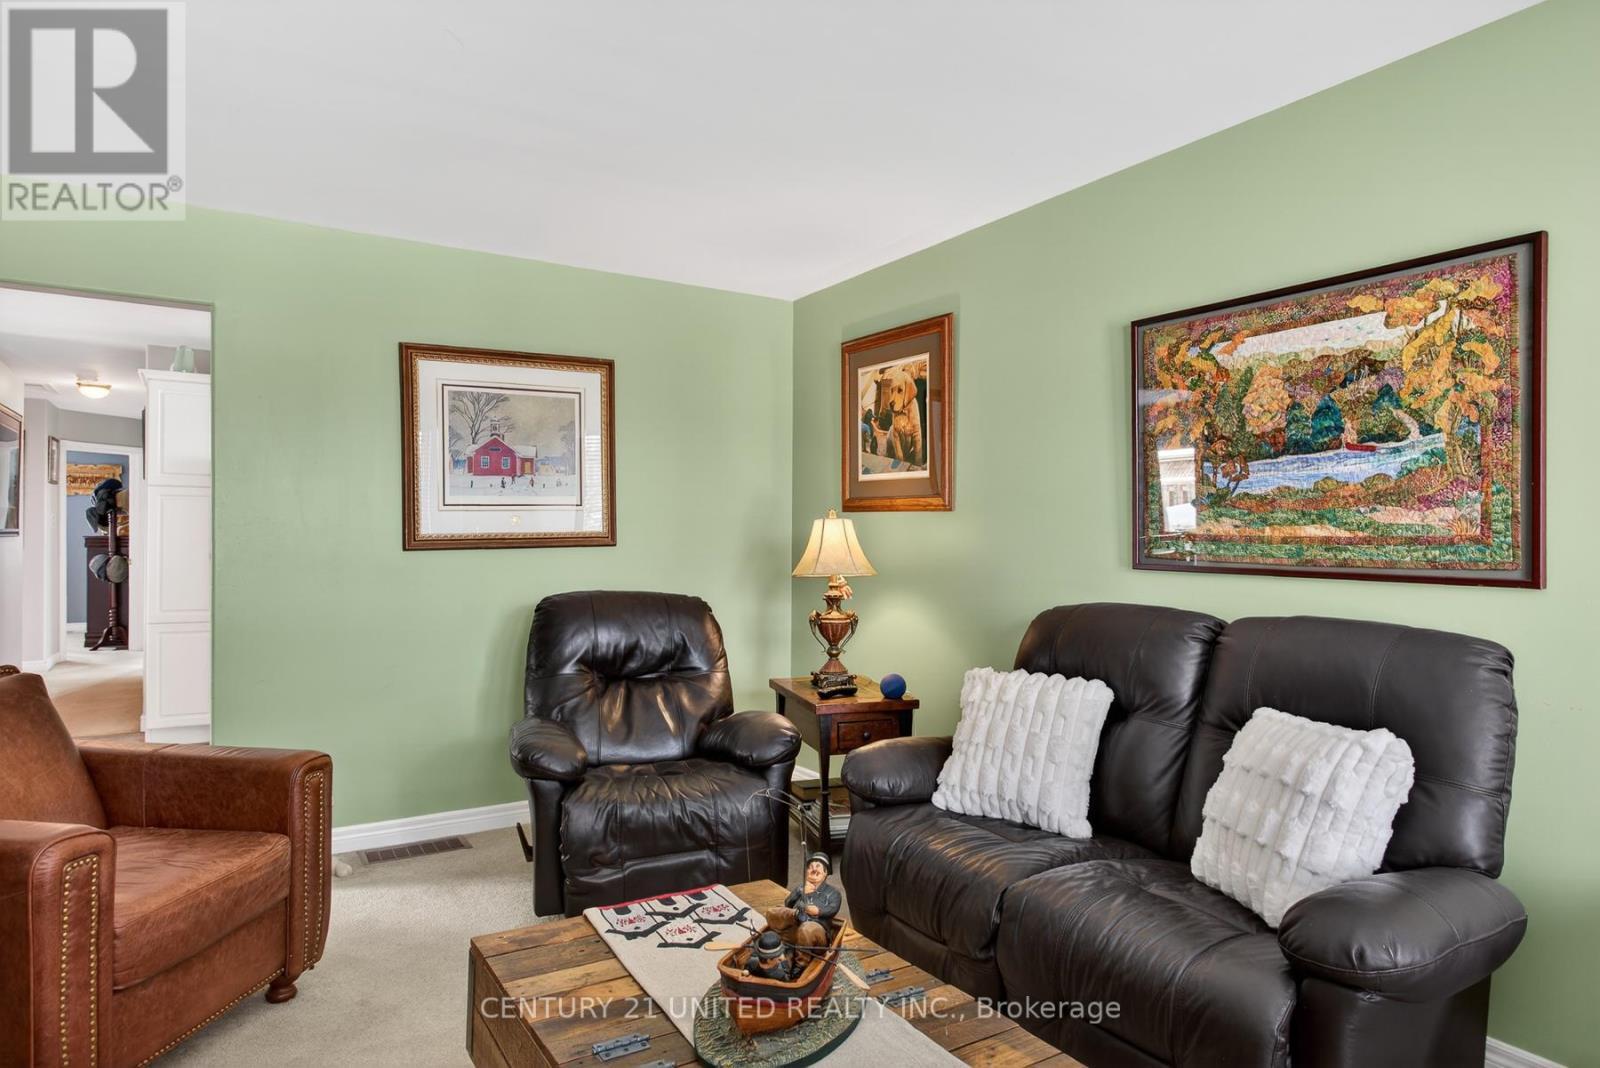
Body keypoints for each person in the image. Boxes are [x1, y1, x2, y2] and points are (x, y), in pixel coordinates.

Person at [764, 852, 840, 949]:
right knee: (773, 912)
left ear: (825, 873)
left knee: (806, 930)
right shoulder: (801, 888)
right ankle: (797, 915)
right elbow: (788, 904)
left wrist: (817, 911)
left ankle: (800, 963)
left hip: (816, 931)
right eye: (810, 867)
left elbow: (832, 909)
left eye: (817, 866)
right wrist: (800, 891)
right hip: (794, 926)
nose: (814, 869)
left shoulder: (833, 893)